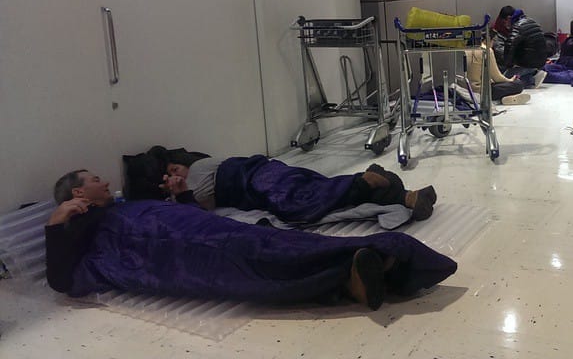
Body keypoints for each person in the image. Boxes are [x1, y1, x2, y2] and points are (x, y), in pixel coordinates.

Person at [45, 170, 456, 309]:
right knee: (258, 262)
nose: (104, 181)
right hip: (176, 251)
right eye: (94, 179)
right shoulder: (80, 227)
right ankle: (360, 271)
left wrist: (182, 195)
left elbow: (194, 214)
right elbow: (63, 280)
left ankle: (369, 268)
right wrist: (54, 225)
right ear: (78, 192)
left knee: (277, 246)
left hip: (201, 230)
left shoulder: (125, 205)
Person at [161, 155, 437, 222]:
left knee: (297, 206)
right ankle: (408, 197)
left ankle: (363, 181)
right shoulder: (209, 164)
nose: (174, 176)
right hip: (275, 171)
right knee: (325, 192)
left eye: (173, 170)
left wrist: (181, 192)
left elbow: (201, 212)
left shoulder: (197, 171)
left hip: (262, 181)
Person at [464, 32, 530, 105]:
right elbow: (497, 77)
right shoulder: (486, 50)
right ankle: (502, 99)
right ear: (487, 40)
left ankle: (505, 98)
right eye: (493, 41)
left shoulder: (463, 50)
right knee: (518, 84)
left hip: (464, 89)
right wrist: (510, 80)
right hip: (481, 91)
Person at [501, 8, 548, 88]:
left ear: (509, 18)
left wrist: (508, 65)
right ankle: (533, 73)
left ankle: (531, 80)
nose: (505, 25)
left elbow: (509, 46)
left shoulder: (517, 26)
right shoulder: (533, 22)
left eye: (505, 22)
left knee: (506, 79)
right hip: (540, 61)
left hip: (527, 63)